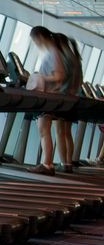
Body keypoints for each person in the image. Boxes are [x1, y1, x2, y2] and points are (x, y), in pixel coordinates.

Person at [26, 26, 65, 174]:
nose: (35, 43)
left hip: (49, 97)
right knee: (44, 131)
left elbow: (59, 77)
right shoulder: (52, 52)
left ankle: (47, 164)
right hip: (49, 96)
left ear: (39, 37)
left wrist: (40, 77)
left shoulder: (53, 53)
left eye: (34, 40)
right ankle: (47, 163)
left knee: (44, 131)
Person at [54, 33, 83, 170]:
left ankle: (63, 163)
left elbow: (59, 79)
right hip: (73, 100)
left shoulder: (62, 58)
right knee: (67, 133)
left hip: (63, 99)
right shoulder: (76, 59)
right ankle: (68, 163)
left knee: (59, 132)